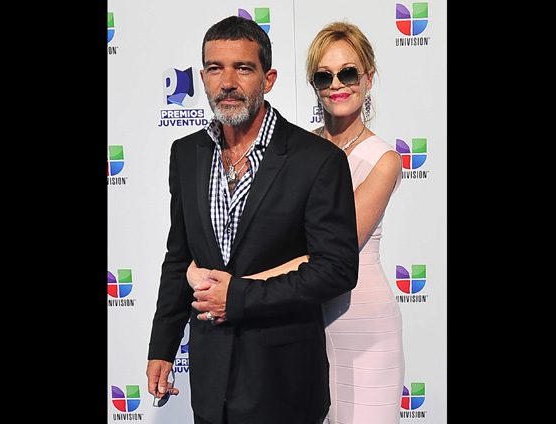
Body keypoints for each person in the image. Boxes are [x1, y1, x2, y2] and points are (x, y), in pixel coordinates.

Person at [146, 16, 359, 424]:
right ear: (202, 78)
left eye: (243, 68)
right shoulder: (186, 154)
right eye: (215, 68)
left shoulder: (317, 160)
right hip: (210, 384)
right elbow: (179, 257)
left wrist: (239, 298)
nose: (227, 82)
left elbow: (336, 269)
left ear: (268, 78)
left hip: (284, 382)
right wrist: (162, 347)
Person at [189, 21, 405, 423]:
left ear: (368, 78)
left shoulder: (384, 159)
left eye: (348, 73)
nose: (337, 84)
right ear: (313, 85)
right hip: (296, 315)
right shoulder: (296, 148)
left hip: (359, 321)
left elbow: (331, 252)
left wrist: (233, 286)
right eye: (324, 76)